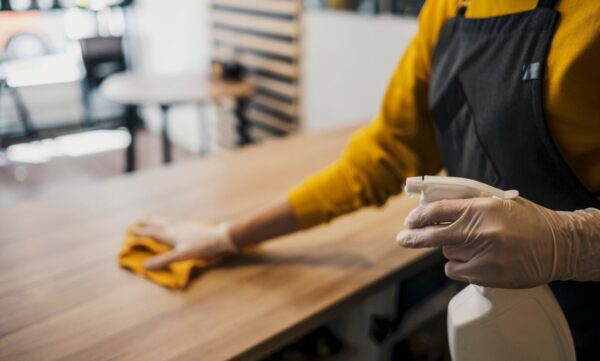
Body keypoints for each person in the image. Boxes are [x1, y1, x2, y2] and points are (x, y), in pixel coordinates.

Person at [135, 0, 600, 358]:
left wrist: (573, 243)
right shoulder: (448, 8)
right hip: (491, 308)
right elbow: (383, 155)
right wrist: (226, 236)